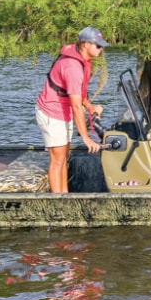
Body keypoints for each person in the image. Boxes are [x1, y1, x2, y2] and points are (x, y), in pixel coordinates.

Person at [35, 27, 108, 193]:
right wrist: (86, 138)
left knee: (63, 158)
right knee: (57, 160)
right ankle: (58, 204)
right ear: (85, 44)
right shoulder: (72, 67)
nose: (101, 49)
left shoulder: (84, 60)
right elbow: (76, 107)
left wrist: (90, 106)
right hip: (51, 112)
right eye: (98, 46)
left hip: (63, 111)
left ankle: (64, 197)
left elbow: (78, 94)